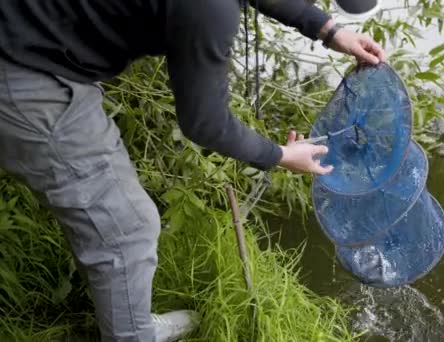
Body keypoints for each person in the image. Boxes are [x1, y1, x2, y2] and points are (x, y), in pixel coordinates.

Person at [0, 0, 386, 341]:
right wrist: (281, 155)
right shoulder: (210, 10)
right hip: (23, 74)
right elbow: (205, 124)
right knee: (127, 231)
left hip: (34, 38)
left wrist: (327, 29)